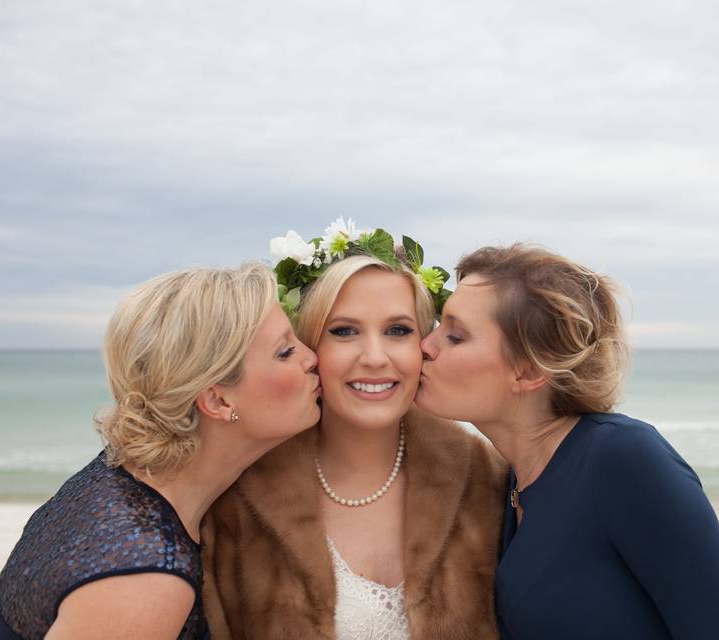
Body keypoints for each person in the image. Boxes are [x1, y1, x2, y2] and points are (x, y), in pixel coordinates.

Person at [416, 244, 719, 640]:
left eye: (455, 336)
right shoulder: (509, 482)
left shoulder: (626, 461)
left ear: (528, 371)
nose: (427, 344)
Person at [0, 263, 321, 640]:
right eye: (286, 351)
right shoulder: (145, 578)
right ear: (217, 399)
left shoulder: (121, 479)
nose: (311, 358)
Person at [202, 222, 507, 640]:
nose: (375, 357)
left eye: (398, 331)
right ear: (309, 347)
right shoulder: (236, 496)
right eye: (344, 331)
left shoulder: (486, 478)